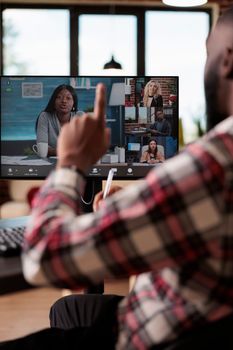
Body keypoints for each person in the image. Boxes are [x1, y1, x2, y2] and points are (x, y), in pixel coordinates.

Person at [1, 7, 233, 350]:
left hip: (144, 335)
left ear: (227, 59)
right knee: (70, 307)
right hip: (193, 309)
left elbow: (46, 258)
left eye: (207, 51)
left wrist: (71, 164)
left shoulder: (216, 162)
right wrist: (130, 210)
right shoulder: (45, 118)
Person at [35, 84, 80, 157]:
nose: (64, 101)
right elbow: (42, 151)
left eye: (68, 98)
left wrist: (52, 151)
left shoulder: (80, 117)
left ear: (74, 103)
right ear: (54, 101)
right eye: (59, 97)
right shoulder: (45, 116)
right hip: (50, 164)